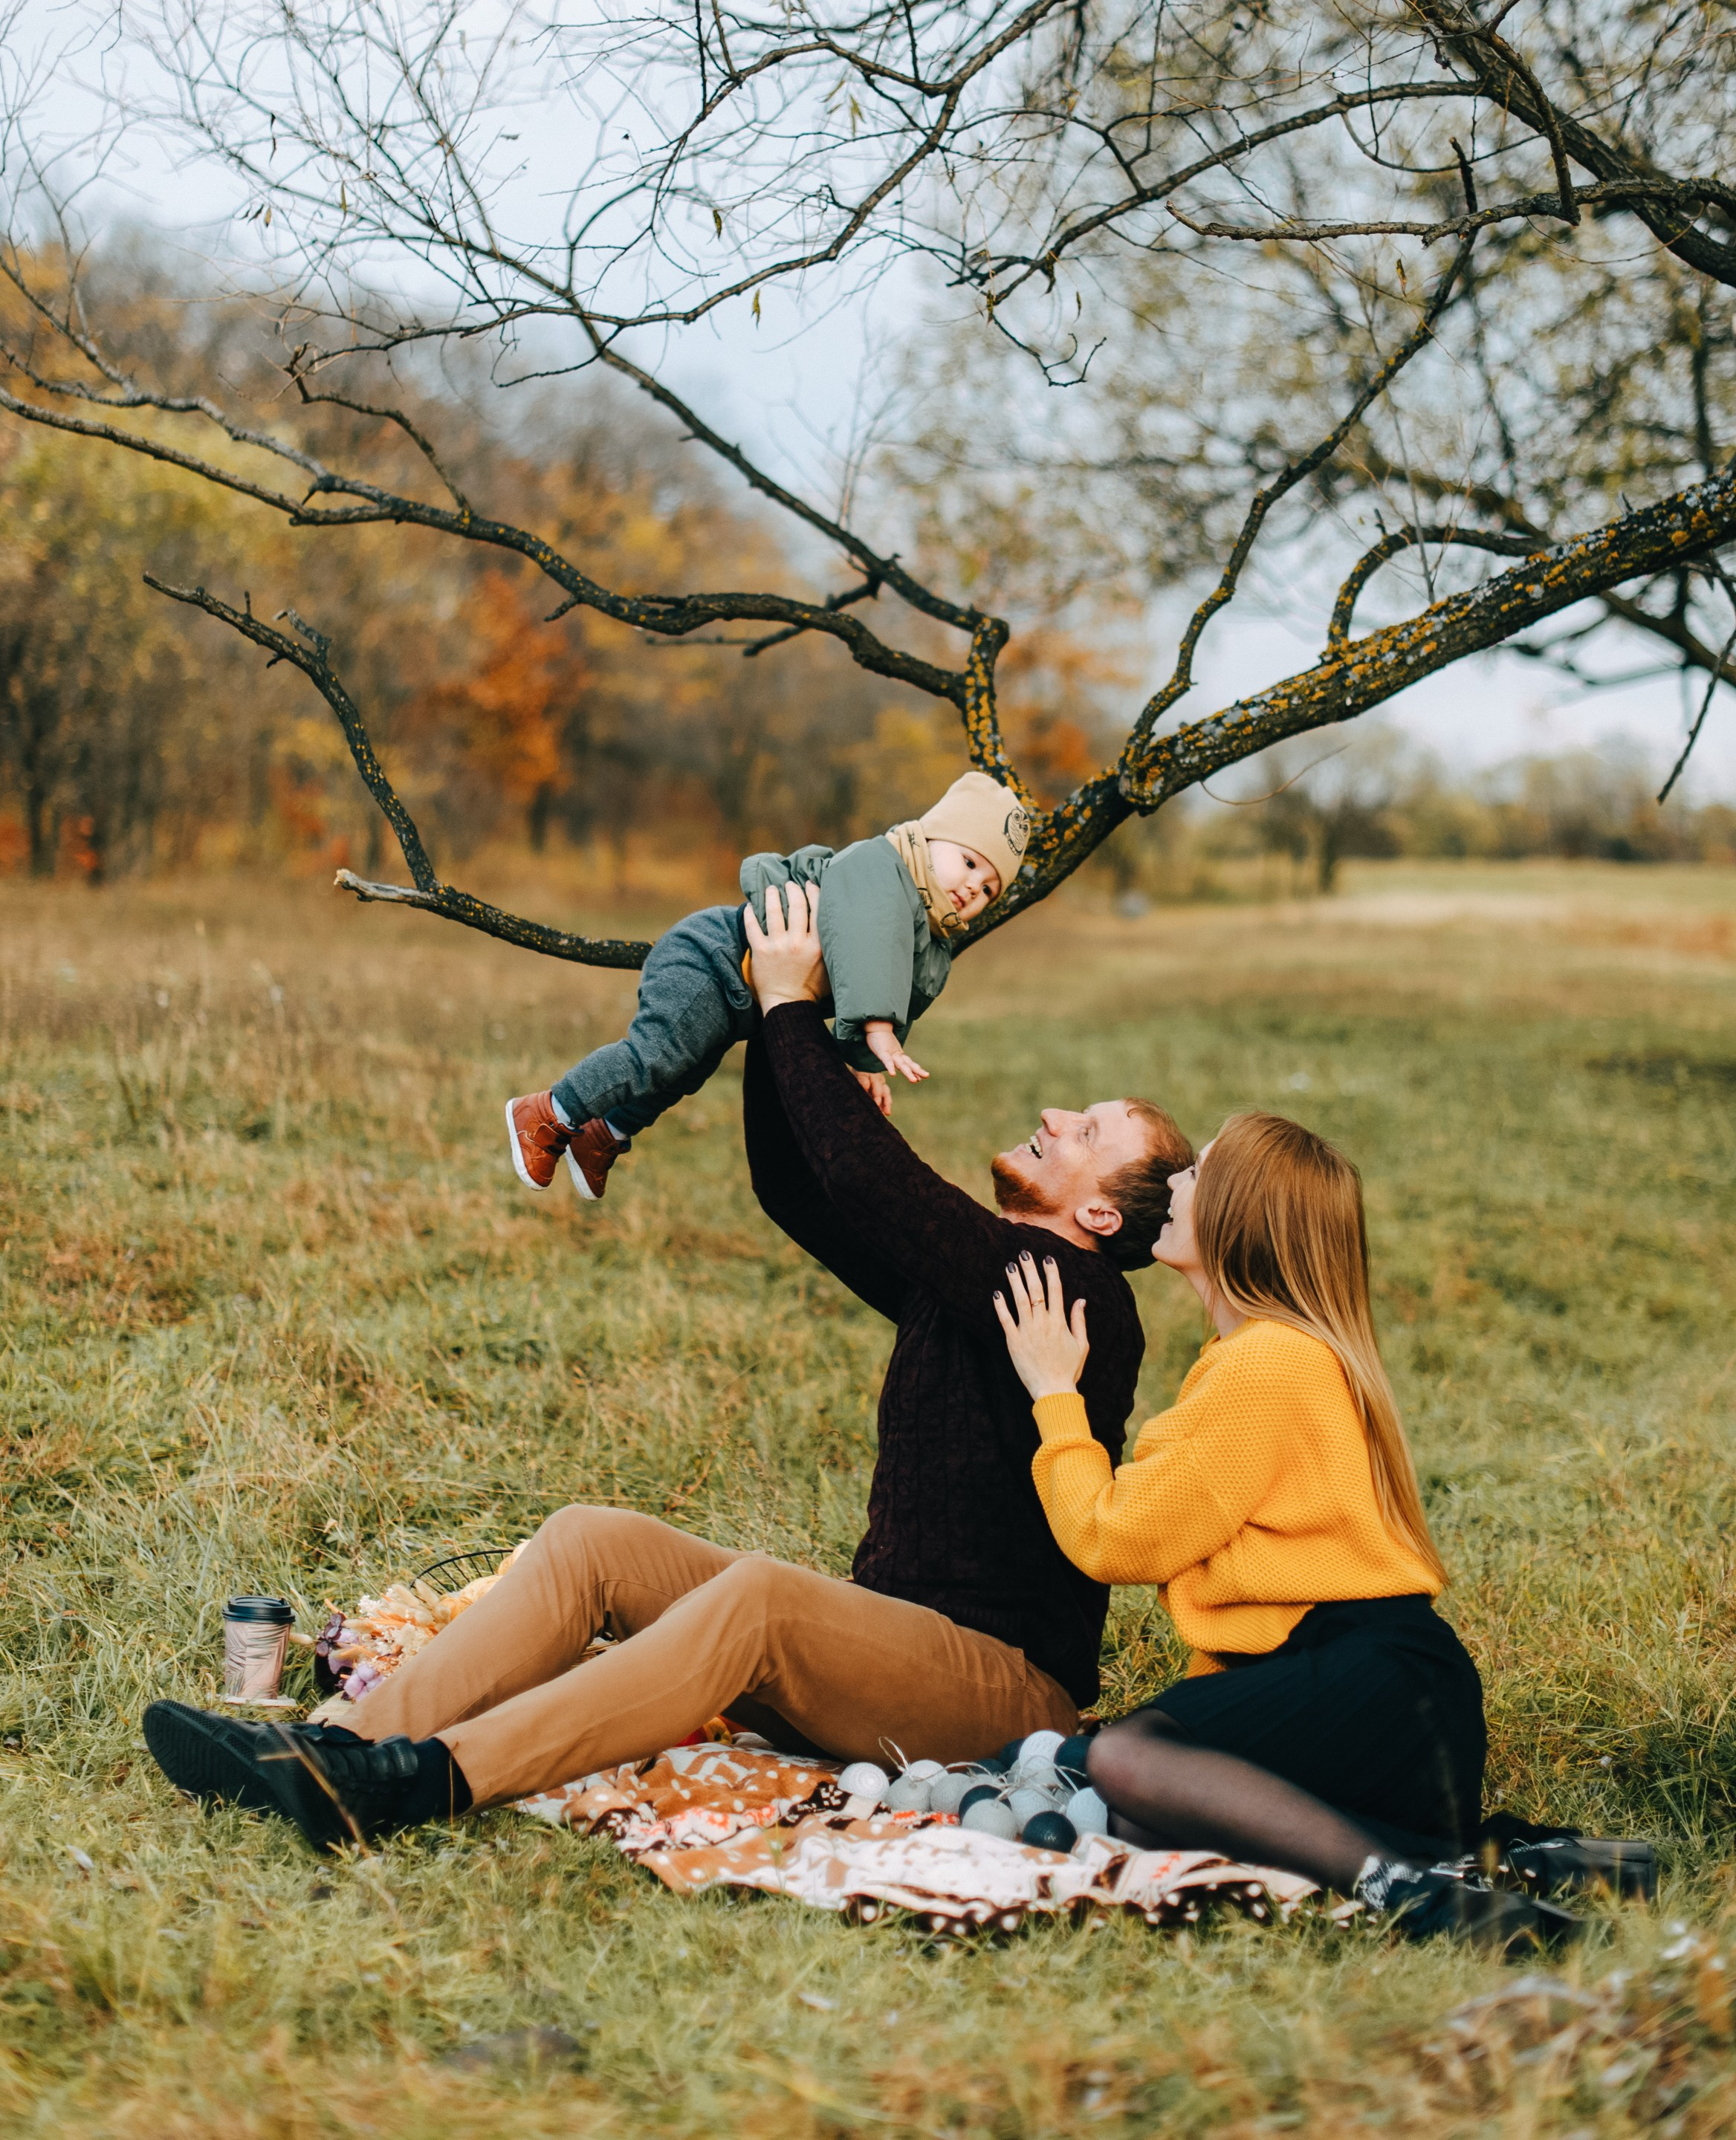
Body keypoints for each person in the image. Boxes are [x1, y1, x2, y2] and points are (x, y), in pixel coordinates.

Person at [140, 883, 1194, 1852]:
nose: (1058, 1116)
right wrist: (755, 1013)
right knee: (591, 1544)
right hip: (889, 1655)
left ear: (1100, 1213)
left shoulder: (1078, 1299)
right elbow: (803, 1185)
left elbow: (870, 1179)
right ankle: (339, 1746)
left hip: (998, 1694)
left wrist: (795, 1017)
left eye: (1089, 1129)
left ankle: (421, 1783)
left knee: (762, 1602)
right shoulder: (982, 1282)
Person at [991, 1113, 1648, 1949]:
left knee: (1125, 1760)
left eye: (1198, 1174)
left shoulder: (1267, 1363)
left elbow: (1113, 1538)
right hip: (1370, 1687)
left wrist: (1055, 1392)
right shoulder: (1266, 1355)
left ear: (1237, 1216)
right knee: (1136, 1810)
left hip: (1366, 1674)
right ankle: (1518, 1857)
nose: (1177, 1182)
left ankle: (1414, 1896)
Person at [505, 769, 1029, 1202]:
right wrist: (878, 1029)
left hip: (744, 997)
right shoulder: (882, 867)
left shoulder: (927, 937)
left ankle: (605, 1133)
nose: (972, 888)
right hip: (716, 956)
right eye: (968, 862)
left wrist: (861, 1061)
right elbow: (862, 941)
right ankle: (550, 1112)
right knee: (657, 1055)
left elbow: (860, 978)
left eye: (989, 889)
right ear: (931, 836)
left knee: (685, 1071)